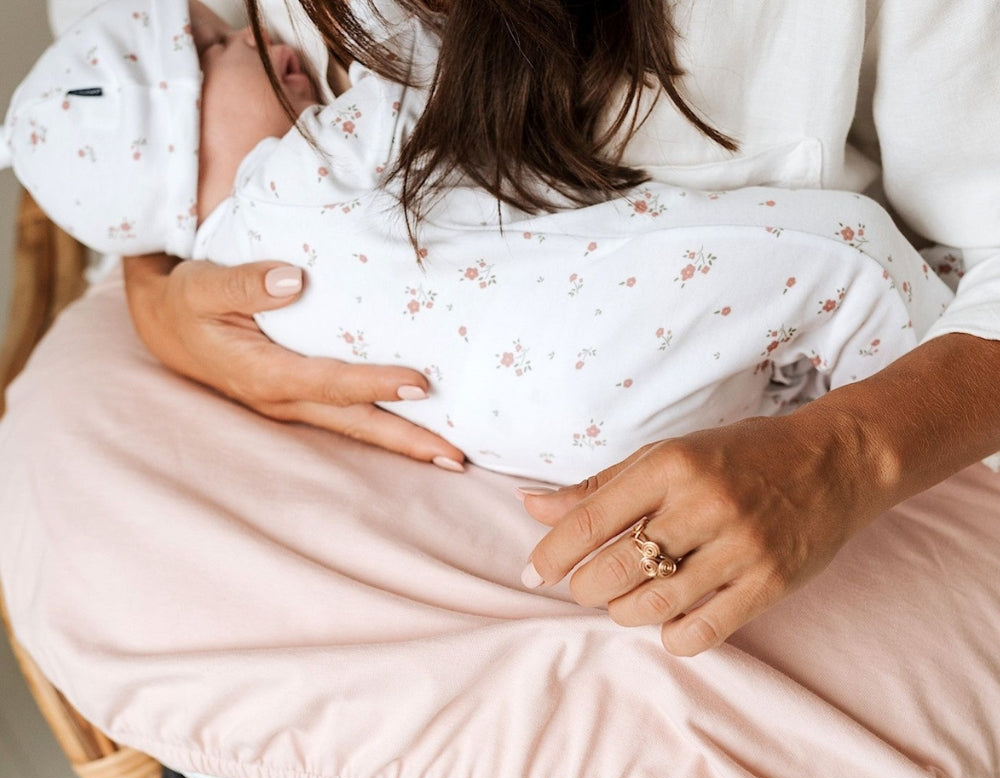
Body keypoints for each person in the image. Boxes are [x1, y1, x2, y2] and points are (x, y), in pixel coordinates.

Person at [1, 1, 999, 778]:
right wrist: (168, 287)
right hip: (342, 507)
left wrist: (849, 450)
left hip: (807, 450)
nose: (254, 44)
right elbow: (119, 82)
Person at [1, 0, 950, 484]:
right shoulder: (303, 169)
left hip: (555, 443)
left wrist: (158, 285)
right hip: (590, 350)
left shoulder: (244, 276)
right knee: (848, 255)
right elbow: (424, 78)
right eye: (213, 52)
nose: (253, 42)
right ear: (169, 154)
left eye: (221, 35)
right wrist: (154, 301)